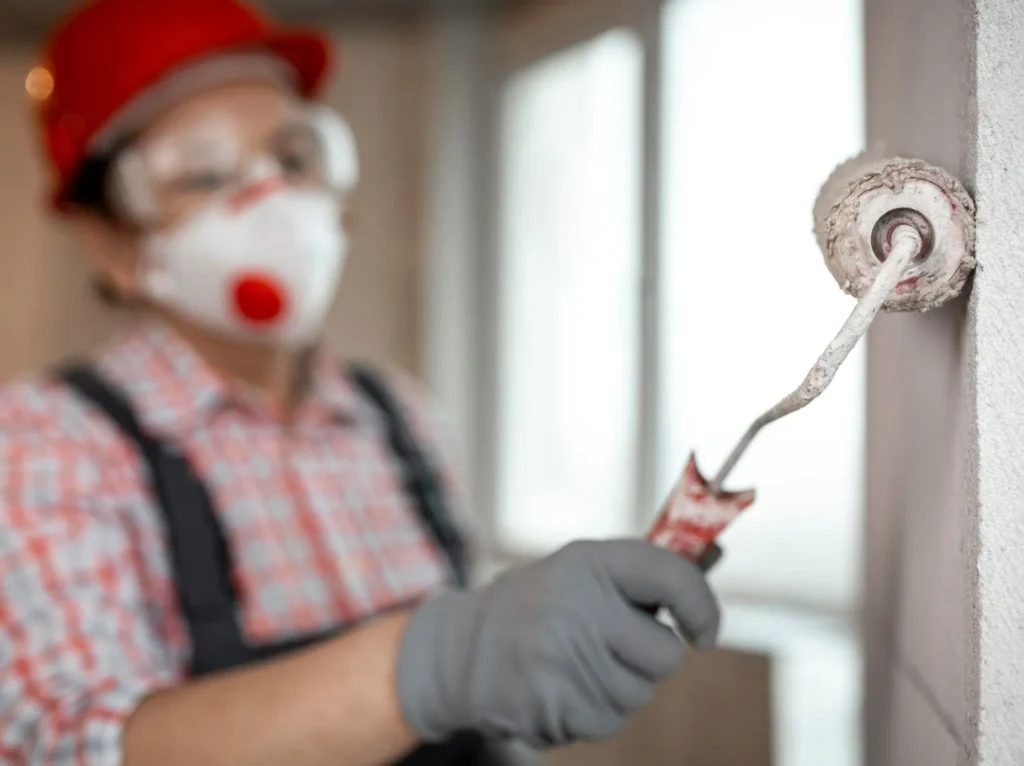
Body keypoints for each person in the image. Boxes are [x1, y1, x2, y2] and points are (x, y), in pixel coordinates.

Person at [0, 1, 721, 764]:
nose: (271, 196)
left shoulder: (401, 416)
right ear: (109, 242)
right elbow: (73, 746)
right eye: (207, 171)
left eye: (295, 156)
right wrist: (438, 662)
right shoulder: (46, 444)